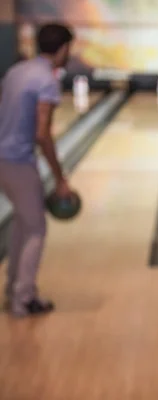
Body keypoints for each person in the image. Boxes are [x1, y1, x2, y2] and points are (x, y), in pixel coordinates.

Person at [0, 23, 75, 317]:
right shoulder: (46, 80)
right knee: (36, 228)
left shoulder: (17, 71)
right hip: (17, 161)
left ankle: (12, 289)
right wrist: (60, 178)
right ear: (64, 48)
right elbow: (43, 133)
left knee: (23, 223)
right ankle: (25, 297)